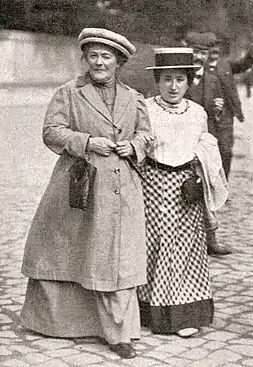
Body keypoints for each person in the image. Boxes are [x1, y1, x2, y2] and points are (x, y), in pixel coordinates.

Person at [20, 28, 152, 359]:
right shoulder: (69, 92)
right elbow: (51, 132)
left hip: (122, 190)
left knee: (115, 256)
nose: (99, 62)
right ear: (85, 59)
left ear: (118, 62)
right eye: (92, 55)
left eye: (106, 56)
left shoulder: (134, 98)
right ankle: (62, 324)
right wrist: (87, 142)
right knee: (72, 249)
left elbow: (148, 137)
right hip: (79, 185)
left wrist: (134, 145)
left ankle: (119, 332)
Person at [138, 47, 228, 338]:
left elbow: (205, 148)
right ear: (158, 81)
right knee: (158, 245)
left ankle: (183, 313)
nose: (173, 86)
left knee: (186, 248)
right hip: (152, 183)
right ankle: (150, 311)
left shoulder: (197, 113)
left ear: (189, 82)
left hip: (186, 188)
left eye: (179, 79)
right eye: (167, 79)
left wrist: (201, 167)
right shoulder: (146, 109)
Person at [184, 31, 231, 257]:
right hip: (181, 141)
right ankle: (184, 241)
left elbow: (215, 116)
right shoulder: (178, 75)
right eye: (195, 52)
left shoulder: (213, 80)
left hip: (204, 141)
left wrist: (218, 110)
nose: (199, 57)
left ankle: (211, 238)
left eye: (203, 53)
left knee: (208, 189)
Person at [206, 37, 253, 179]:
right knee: (207, 151)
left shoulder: (226, 65)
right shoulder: (200, 67)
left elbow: (244, 64)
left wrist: (251, 52)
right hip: (206, 114)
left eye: (217, 46)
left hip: (225, 115)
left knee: (225, 150)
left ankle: (223, 183)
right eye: (210, 47)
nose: (214, 50)